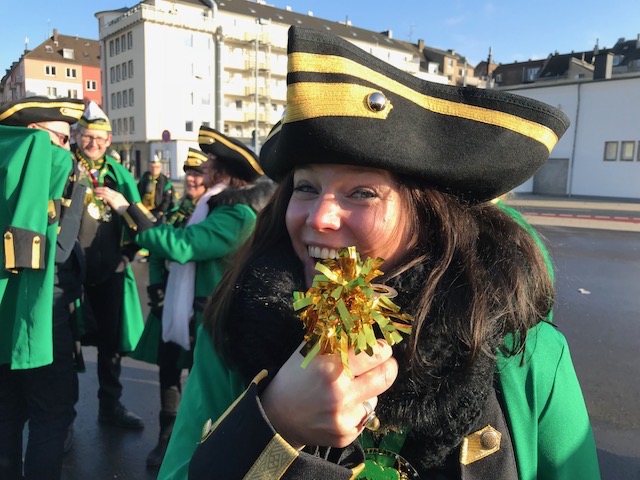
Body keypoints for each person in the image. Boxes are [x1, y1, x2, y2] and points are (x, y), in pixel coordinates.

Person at [158, 26, 600, 480]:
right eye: (306, 187)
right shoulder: (232, 327)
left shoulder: (525, 352)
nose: (319, 217)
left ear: (431, 218)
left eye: (362, 192)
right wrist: (275, 425)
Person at [96, 127, 275, 468]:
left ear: (224, 173)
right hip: (189, 310)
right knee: (172, 373)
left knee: (203, 397)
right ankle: (170, 443)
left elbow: (182, 245)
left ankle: (197, 458)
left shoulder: (237, 214)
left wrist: (128, 210)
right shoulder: (214, 206)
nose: (202, 172)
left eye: (209, 166)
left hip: (211, 317)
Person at [0, 97, 86, 479]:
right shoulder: (58, 167)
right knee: (50, 416)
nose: (69, 148)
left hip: (4, 310)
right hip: (43, 311)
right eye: (63, 139)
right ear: (34, 133)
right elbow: (63, 250)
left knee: (6, 415)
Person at [73, 101, 146, 429]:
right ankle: (62, 417)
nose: (94, 143)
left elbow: (139, 218)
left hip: (110, 272)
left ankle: (110, 406)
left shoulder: (118, 174)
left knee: (110, 344)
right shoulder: (66, 167)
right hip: (70, 274)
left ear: (109, 140)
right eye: (88, 136)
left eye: (100, 138)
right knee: (66, 345)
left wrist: (127, 256)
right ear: (77, 136)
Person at [137, 156, 176, 220]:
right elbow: (138, 192)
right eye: (152, 167)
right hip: (143, 209)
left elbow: (167, 198)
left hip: (157, 211)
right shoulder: (144, 178)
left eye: (157, 167)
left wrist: (162, 210)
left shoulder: (165, 181)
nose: (154, 169)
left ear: (160, 168)